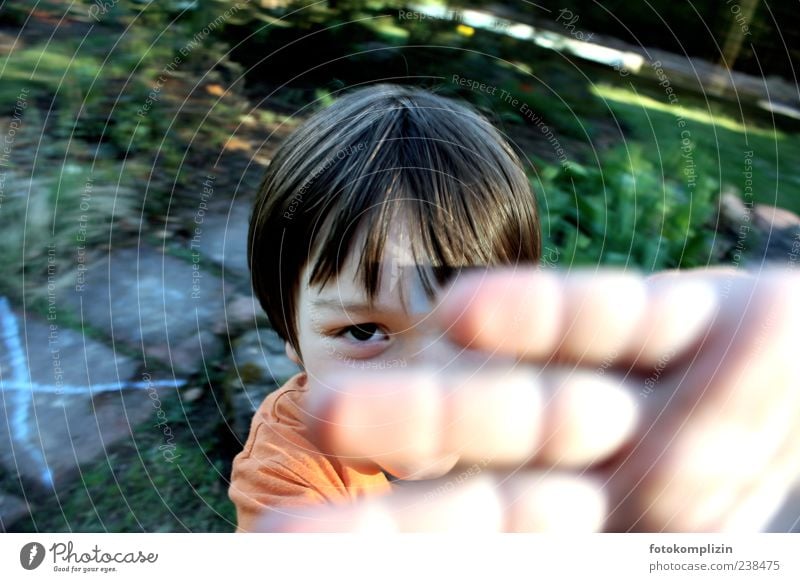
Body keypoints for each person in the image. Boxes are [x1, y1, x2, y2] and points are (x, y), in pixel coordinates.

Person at [230, 83, 800, 532]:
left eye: (462, 324)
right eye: (361, 331)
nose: (423, 374)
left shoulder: (551, 412)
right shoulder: (289, 474)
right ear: (290, 333)